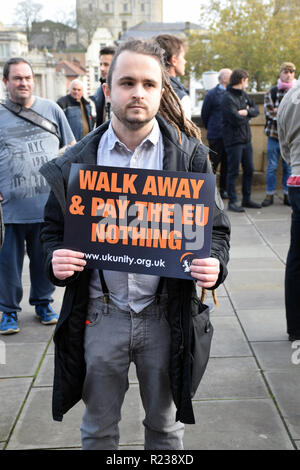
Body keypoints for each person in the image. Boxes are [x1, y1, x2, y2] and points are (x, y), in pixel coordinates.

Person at [40, 39, 230, 450]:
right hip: (99, 314)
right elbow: (51, 232)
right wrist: (53, 258)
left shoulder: (190, 158)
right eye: (126, 82)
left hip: (166, 318)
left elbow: (216, 232)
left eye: (148, 83)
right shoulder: (75, 161)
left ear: (163, 91)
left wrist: (214, 264)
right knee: (98, 429)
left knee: (164, 429)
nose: (138, 92)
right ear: (107, 90)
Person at [0, 57, 75, 335]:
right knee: (7, 265)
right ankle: (8, 311)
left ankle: (44, 304)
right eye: (17, 78)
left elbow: (70, 148)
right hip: (8, 209)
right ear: (6, 81)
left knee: (46, 258)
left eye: (28, 77)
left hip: (47, 207)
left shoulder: (52, 109)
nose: (24, 83)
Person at [277, 83, 300, 341]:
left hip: (297, 181)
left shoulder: (289, 96)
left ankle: (296, 327)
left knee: (296, 258)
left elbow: (284, 145)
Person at [221, 68, 261, 212]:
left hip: (246, 140)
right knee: (233, 172)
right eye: (246, 80)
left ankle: (246, 199)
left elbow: (256, 109)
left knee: (249, 169)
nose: (247, 83)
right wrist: (246, 114)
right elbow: (234, 120)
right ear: (242, 80)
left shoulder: (244, 95)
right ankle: (232, 202)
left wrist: (246, 111)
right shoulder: (227, 98)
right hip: (233, 141)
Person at [262, 62, 297, 207]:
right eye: (285, 71)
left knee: (289, 167)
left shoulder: (297, 92)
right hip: (274, 136)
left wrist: (279, 111)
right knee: (272, 166)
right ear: (280, 74)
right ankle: (269, 194)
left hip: (291, 138)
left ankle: (287, 194)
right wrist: (286, 115)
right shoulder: (272, 92)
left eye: (291, 72)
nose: (288, 74)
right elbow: (269, 114)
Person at [201, 68, 232, 199]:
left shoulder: (232, 92)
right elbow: (204, 114)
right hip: (216, 135)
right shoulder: (212, 94)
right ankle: (209, 191)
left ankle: (223, 190)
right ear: (223, 78)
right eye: (230, 76)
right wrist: (212, 128)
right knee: (213, 164)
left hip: (229, 136)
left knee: (227, 164)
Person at [155, 34, 191, 119]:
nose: (185, 61)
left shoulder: (148, 89)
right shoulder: (180, 97)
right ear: (174, 60)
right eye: (182, 56)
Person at [90, 46, 115, 127]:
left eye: (106, 64)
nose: (102, 68)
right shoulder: (100, 91)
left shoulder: (124, 91)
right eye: (100, 64)